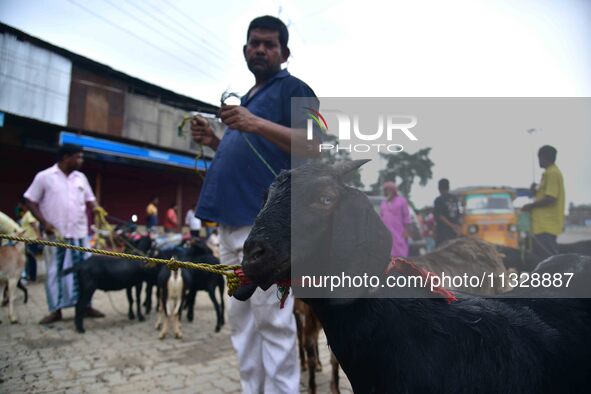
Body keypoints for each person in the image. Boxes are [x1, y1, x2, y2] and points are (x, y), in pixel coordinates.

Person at [191, 15, 318, 393]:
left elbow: (315, 144)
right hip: (230, 224)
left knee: (272, 320)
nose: (261, 49)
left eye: (270, 44)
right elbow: (248, 149)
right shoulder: (248, 99)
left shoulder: (293, 88)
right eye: (254, 43)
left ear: (285, 52)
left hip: (265, 228)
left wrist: (253, 122)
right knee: (241, 318)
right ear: (245, 49)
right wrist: (214, 141)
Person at [24, 144, 105, 324]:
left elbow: (91, 200)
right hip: (56, 235)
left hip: (79, 233)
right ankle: (56, 310)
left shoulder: (81, 178)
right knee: (55, 272)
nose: (81, 161)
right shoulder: (45, 177)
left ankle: (85, 306)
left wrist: (97, 209)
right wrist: (44, 222)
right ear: (65, 158)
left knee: (86, 271)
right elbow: (30, 200)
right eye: (78, 157)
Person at [521, 145, 565, 258]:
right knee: (541, 259)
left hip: (546, 226)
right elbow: (546, 194)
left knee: (549, 259)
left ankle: (557, 276)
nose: (538, 161)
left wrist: (529, 206)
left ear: (544, 157)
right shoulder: (548, 173)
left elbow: (551, 198)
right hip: (542, 226)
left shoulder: (552, 173)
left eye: (539, 158)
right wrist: (535, 190)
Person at [379, 182, 412, 257]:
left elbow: (406, 217)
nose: (387, 192)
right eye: (385, 190)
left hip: (399, 232)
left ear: (393, 190)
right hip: (386, 233)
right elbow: (381, 217)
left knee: (401, 253)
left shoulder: (402, 201)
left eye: (388, 190)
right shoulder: (383, 203)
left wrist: (406, 231)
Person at [433, 178, 462, 246]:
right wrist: (457, 227)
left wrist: (451, 226)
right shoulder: (455, 199)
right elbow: (459, 214)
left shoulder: (439, 200)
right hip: (454, 233)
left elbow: (440, 216)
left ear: (439, 188)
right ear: (448, 187)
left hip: (443, 233)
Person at [19, 202, 42, 282]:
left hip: (32, 239)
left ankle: (32, 277)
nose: (20, 207)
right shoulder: (25, 215)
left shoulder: (29, 214)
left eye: (21, 205)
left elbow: (33, 224)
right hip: (27, 240)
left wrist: (38, 236)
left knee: (31, 258)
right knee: (29, 258)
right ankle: (30, 275)